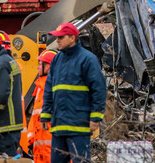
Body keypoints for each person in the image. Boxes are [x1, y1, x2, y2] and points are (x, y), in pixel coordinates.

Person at [41, 23, 106, 163]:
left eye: (61, 37)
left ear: (72, 38)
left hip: (79, 127)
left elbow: (99, 90)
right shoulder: (57, 59)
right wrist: (45, 114)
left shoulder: (88, 59)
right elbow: (49, 89)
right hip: (59, 127)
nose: (57, 40)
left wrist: (95, 118)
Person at [28, 49, 57, 163]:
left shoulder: (55, 87)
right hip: (41, 147)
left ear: (49, 66)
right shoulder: (40, 87)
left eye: (40, 64)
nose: (37, 67)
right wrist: (30, 139)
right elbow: (35, 116)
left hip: (52, 148)